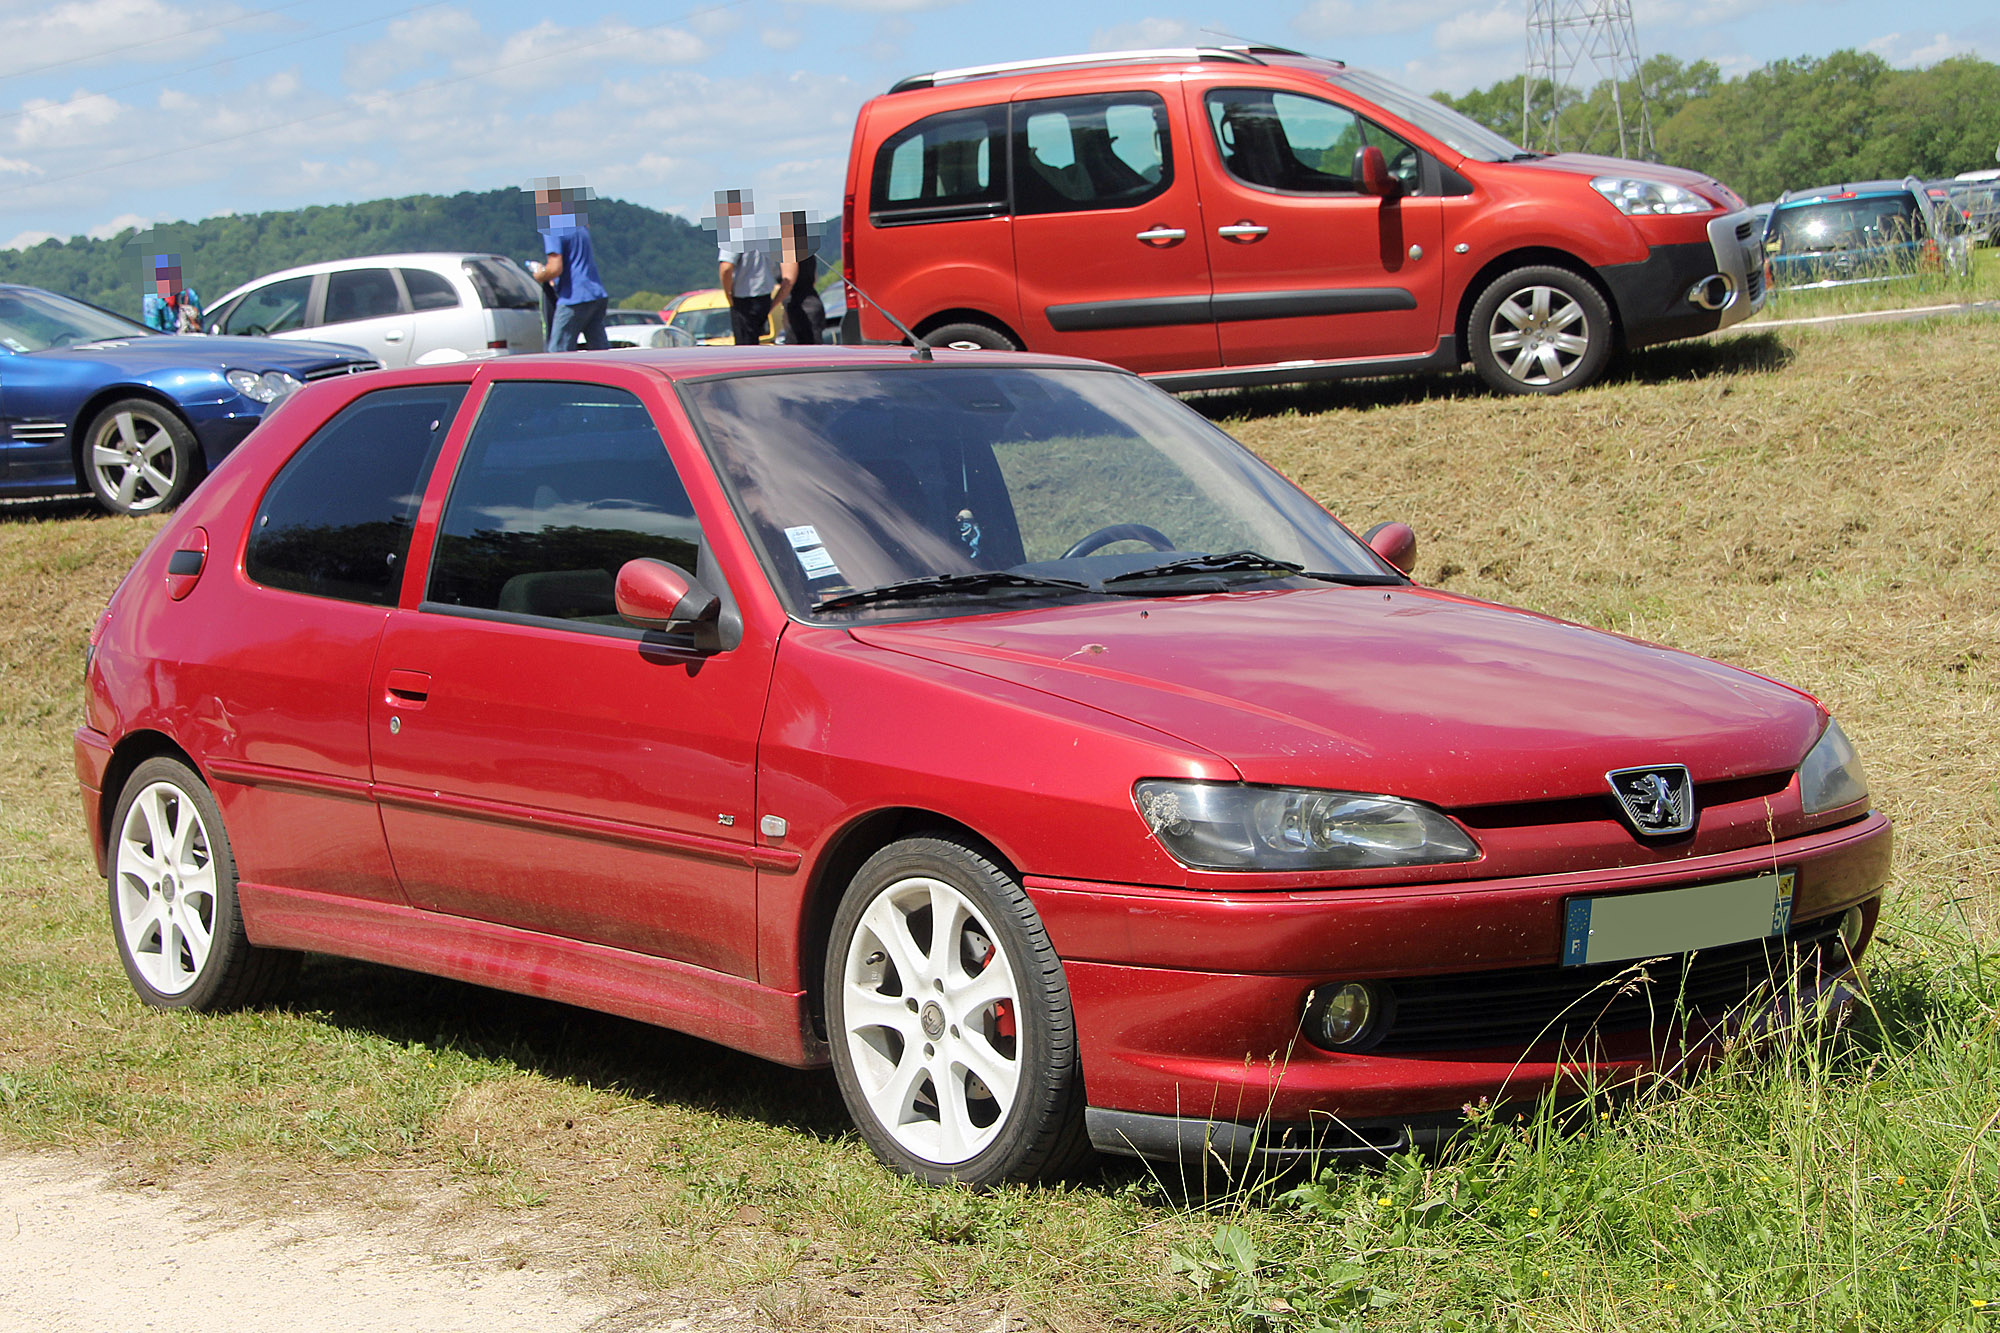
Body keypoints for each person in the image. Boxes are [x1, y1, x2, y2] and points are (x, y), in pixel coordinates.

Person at [527, 177, 609, 351]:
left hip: (574, 297)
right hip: (596, 294)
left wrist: (541, 275)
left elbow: (555, 267)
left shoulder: (552, 227)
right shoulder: (580, 226)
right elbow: (575, 262)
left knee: (558, 351)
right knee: (599, 350)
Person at [713, 189, 788, 346]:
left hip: (743, 298)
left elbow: (726, 268)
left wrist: (728, 293)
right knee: (757, 344)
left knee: (745, 347)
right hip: (764, 296)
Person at [779, 208, 825, 347]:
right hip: (814, 304)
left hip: (799, 310)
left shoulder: (789, 248)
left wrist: (772, 304)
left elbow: (789, 281)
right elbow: (814, 279)